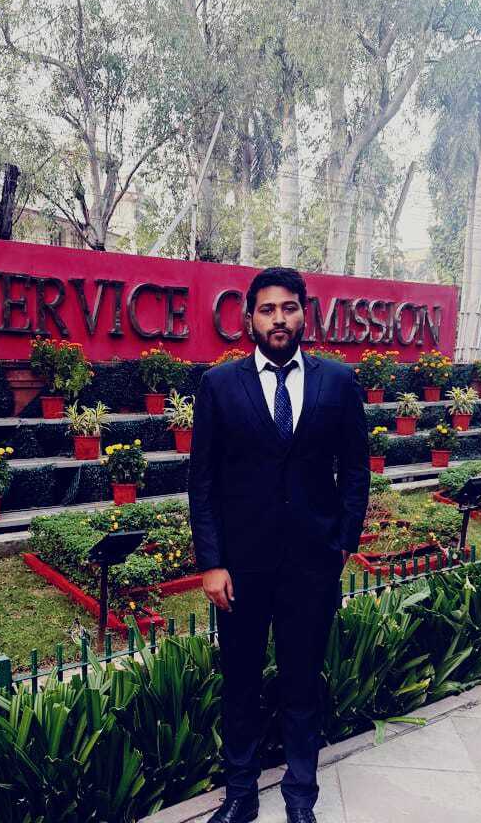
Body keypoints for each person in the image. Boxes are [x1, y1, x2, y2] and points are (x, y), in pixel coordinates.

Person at [188, 266, 370, 823]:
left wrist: (343, 541)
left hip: (312, 565)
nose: (279, 319)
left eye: (288, 308)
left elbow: (356, 469)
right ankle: (240, 795)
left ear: (303, 314)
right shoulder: (220, 385)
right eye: (267, 310)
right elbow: (203, 481)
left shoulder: (337, 381)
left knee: (301, 684)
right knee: (240, 683)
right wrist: (212, 562)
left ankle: (300, 798)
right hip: (241, 568)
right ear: (250, 319)